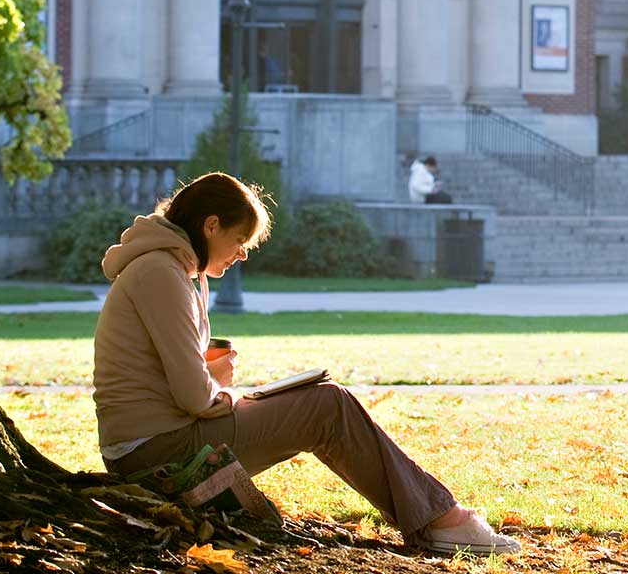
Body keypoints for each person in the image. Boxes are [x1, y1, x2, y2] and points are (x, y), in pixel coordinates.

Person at [90, 172, 517, 555]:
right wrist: (220, 387)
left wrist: (221, 390)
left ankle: (436, 515)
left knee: (321, 401)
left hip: (155, 439)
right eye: (239, 241)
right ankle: (440, 520)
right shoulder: (161, 273)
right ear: (211, 225)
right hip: (156, 450)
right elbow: (193, 396)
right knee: (327, 406)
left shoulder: (171, 269)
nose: (241, 255)